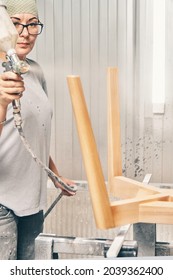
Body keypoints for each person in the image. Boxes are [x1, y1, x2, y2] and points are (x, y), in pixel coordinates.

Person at [0, 0, 76, 260]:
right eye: (15, 24)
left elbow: (36, 131)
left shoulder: (35, 71)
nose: (25, 33)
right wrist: (1, 105)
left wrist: (55, 175)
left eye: (32, 24)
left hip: (33, 201)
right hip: (3, 202)